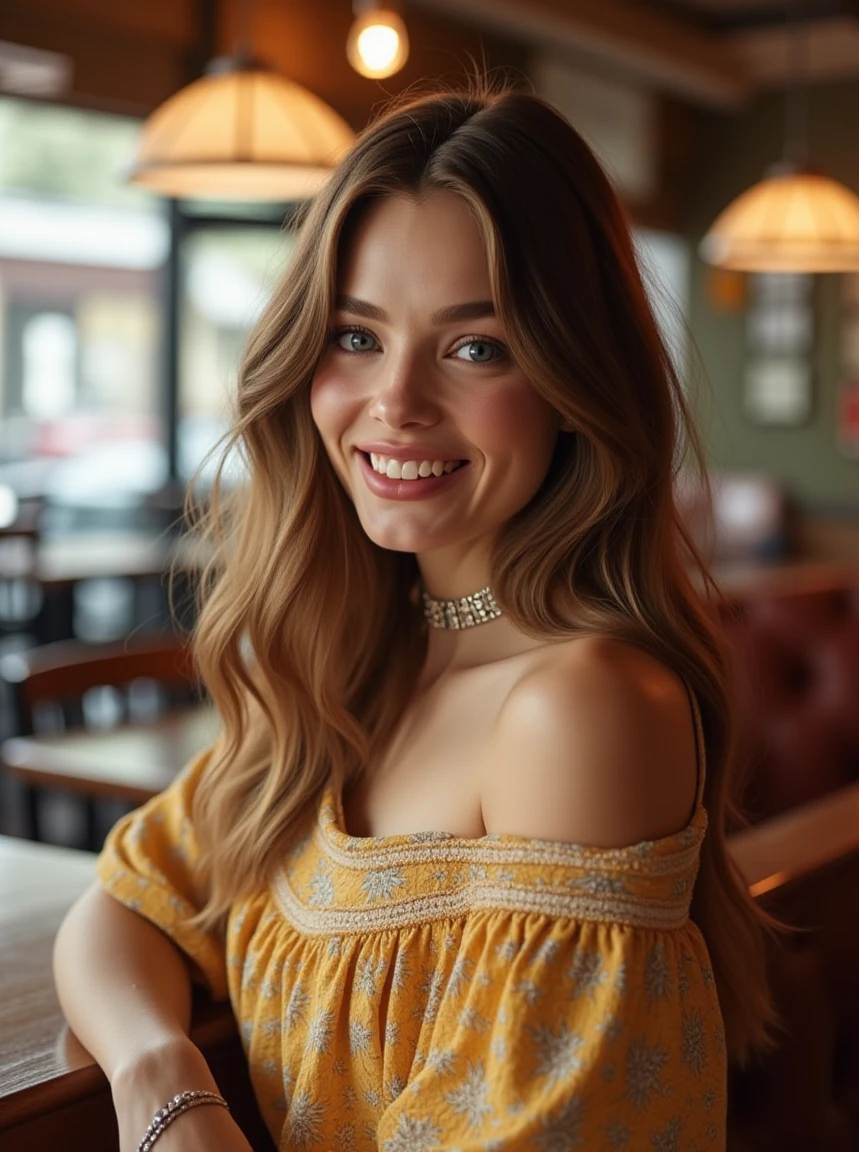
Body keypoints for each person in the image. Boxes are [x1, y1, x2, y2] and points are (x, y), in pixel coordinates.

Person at [54, 80, 774, 1152]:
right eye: (354, 335)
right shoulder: (351, 667)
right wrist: (168, 1086)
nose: (394, 402)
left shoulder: (580, 711)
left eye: (473, 347)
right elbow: (125, 903)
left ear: (575, 382)